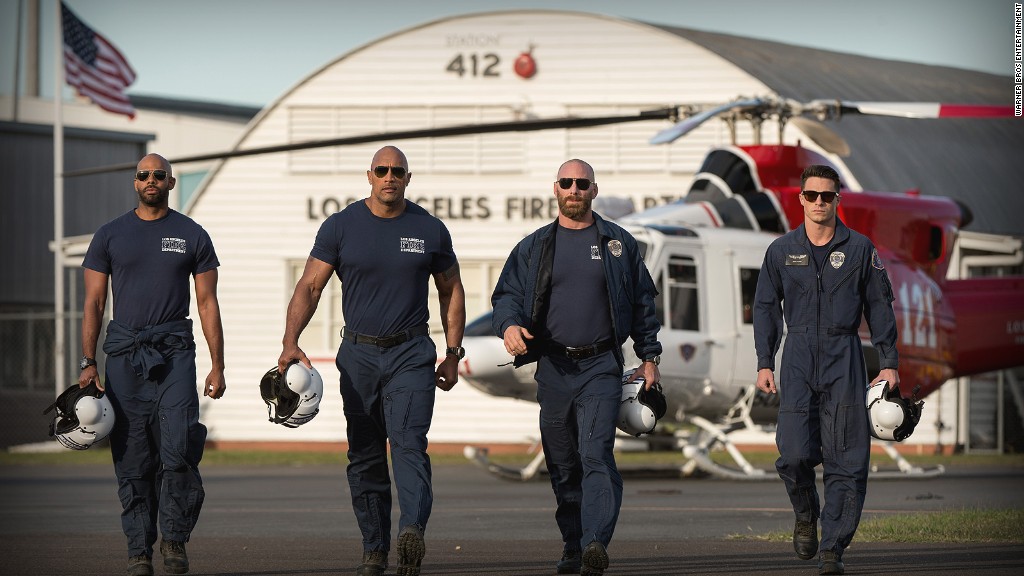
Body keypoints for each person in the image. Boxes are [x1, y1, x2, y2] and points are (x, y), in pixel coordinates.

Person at [277, 145, 466, 576]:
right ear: (369, 175)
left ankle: (411, 532)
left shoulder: (430, 229)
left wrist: (453, 353)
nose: (389, 177)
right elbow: (309, 287)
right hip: (358, 355)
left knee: (409, 444)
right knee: (364, 455)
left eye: (397, 171)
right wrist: (291, 341)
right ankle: (375, 548)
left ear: (407, 178)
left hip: (411, 353)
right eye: (382, 170)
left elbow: (451, 290)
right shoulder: (341, 226)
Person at [490, 159, 662, 576]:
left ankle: (595, 543)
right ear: (556, 189)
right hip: (553, 367)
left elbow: (643, 302)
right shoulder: (534, 246)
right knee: (563, 462)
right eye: (566, 183)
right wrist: (510, 325)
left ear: (593, 190)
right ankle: (572, 543)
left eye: (581, 183)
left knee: (596, 453)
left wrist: (649, 357)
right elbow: (507, 296)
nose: (574, 189)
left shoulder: (618, 244)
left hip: (602, 365)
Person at [80, 153, 226, 576]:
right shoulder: (110, 235)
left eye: (158, 175)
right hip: (124, 356)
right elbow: (93, 301)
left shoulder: (191, 234)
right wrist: (88, 362)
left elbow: (207, 302)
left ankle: (174, 539)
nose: (150, 180)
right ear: (135, 182)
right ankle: (139, 551)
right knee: (133, 458)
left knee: (178, 446)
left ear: (171, 182)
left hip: (175, 353)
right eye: (143, 175)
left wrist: (218, 364)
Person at [753, 164, 899, 576]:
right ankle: (805, 513)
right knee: (795, 453)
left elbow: (881, 308)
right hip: (797, 357)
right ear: (800, 199)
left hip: (844, 356)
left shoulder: (860, 250)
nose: (820, 202)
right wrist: (765, 361)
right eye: (812, 195)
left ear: (838, 200)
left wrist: (889, 363)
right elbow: (765, 308)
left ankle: (833, 547)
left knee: (846, 460)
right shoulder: (781, 251)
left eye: (828, 196)